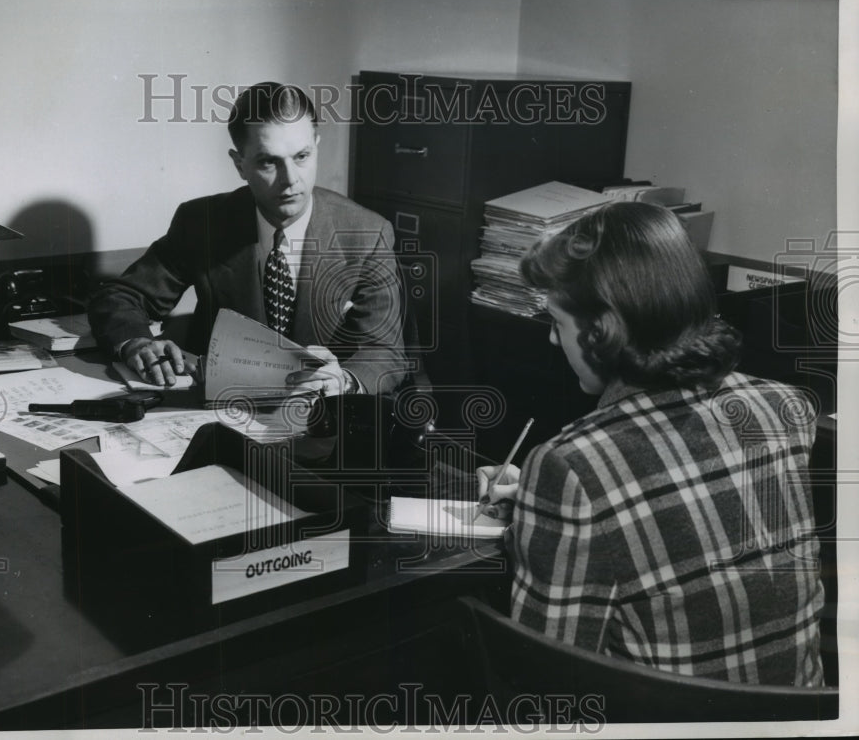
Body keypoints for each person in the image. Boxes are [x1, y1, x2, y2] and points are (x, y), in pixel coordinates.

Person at [477, 201, 825, 686]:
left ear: (602, 329)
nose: (555, 343)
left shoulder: (572, 464)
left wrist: (543, 513)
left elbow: (547, 675)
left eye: (558, 323)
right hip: (798, 716)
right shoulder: (784, 408)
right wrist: (540, 506)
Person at [88, 82, 408, 396]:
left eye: (302, 156)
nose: (290, 179)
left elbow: (386, 353)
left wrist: (345, 381)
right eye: (269, 162)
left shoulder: (367, 233)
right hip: (219, 410)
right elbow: (120, 297)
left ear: (316, 146)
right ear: (239, 165)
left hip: (319, 418)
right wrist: (137, 344)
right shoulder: (203, 222)